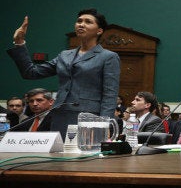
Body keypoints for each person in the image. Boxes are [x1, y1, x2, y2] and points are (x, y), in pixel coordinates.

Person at [7, 8, 120, 139]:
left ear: (99, 30)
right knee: (58, 156)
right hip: (60, 115)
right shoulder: (65, 55)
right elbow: (31, 73)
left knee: (84, 157)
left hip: (89, 117)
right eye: (79, 21)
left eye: (88, 22)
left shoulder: (108, 57)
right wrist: (19, 43)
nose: (81, 24)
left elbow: (110, 94)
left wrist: (105, 124)